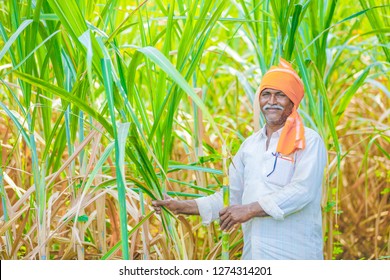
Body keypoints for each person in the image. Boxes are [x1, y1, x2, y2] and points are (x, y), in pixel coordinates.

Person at [152, 58, 327, 260]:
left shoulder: (309, 141)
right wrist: (181, 206)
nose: (271, 101)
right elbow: (230, 198)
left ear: (293, 101)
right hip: (255, 256)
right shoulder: (250, 146)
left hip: (296, 255)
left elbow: (302, 191)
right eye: (266, 94)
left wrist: (250, 210)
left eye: (280, 95)